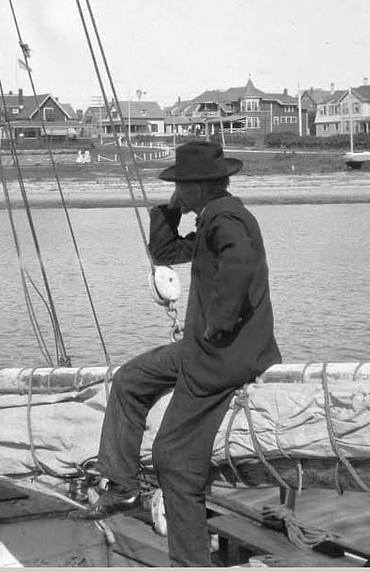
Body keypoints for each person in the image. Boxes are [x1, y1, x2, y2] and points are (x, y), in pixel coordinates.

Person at [70, 140, 281, 566]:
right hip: (208, 348)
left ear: (196, 187)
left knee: (174, 460)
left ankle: (189, 563)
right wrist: (170, 211)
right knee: (130, 380)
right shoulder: (215, 216)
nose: (176, 191)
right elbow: (166, 252)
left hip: (222, 356)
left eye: (179, 185)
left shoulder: (223, 218)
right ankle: (122, 485)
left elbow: (240, 262)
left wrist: (218, 323)